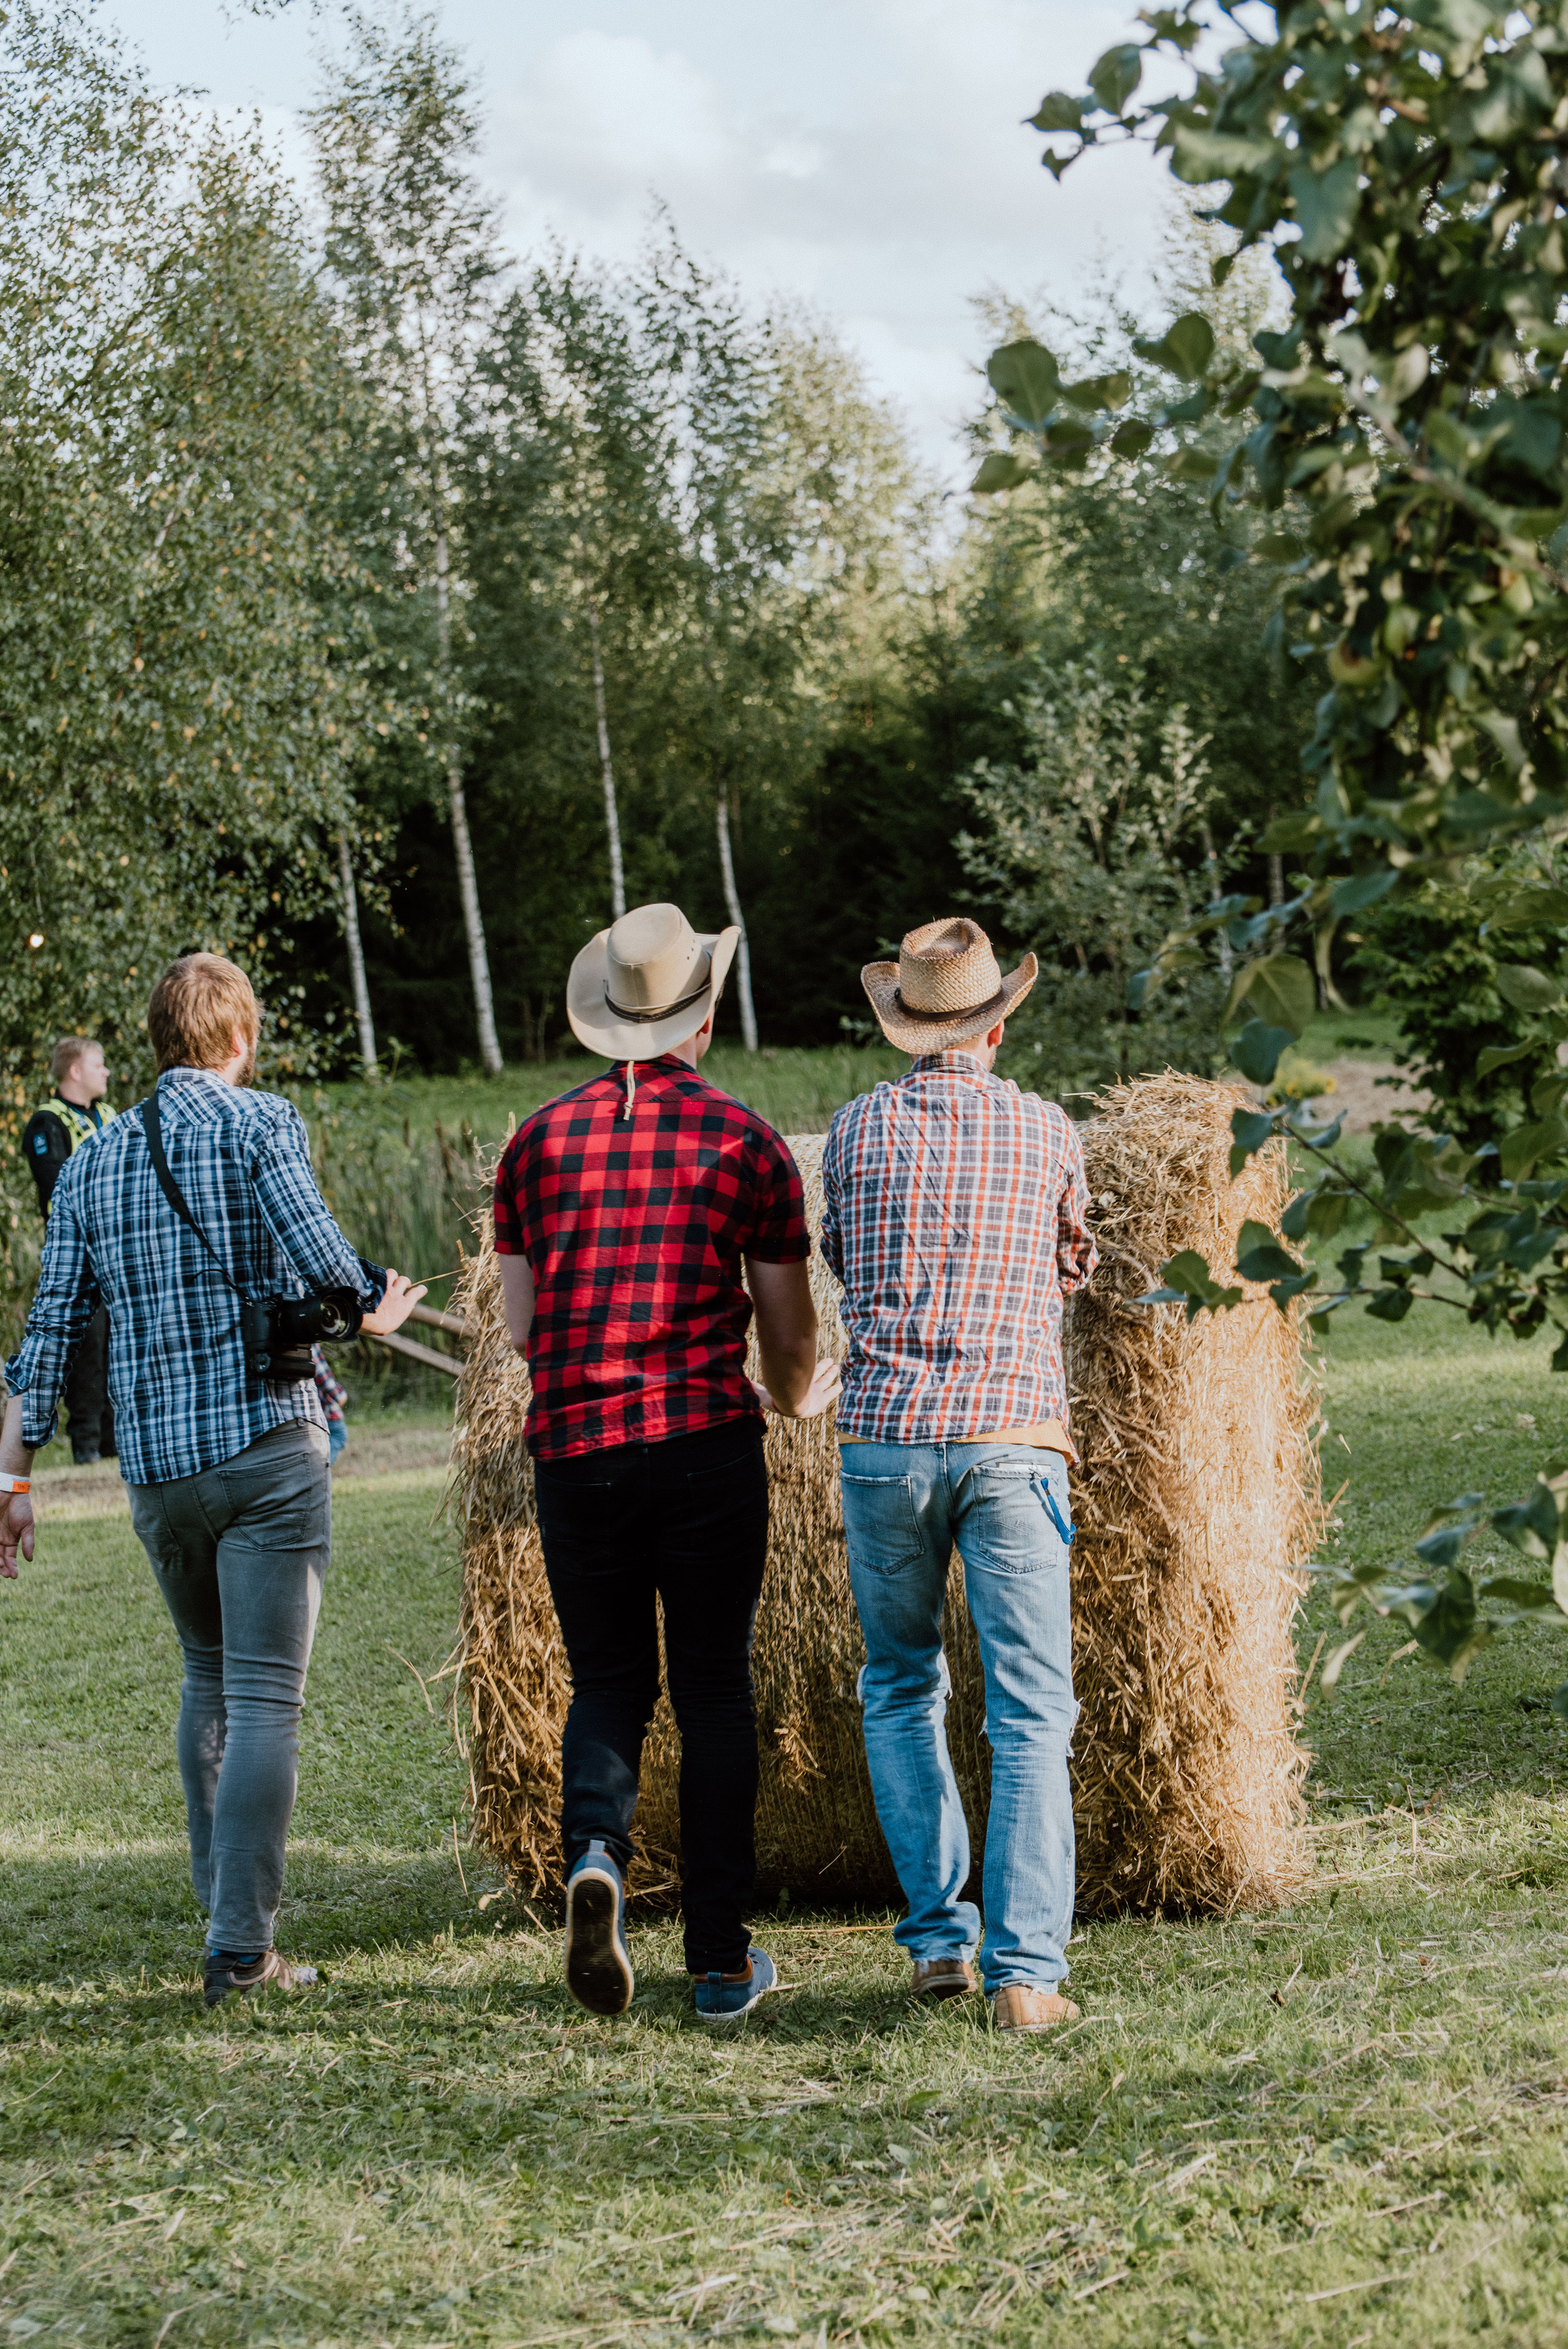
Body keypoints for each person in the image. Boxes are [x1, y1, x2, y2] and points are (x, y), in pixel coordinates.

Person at [0, 956, 425, 2005]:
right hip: (266, 1455)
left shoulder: (95, 1164)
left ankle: (223, 1906)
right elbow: (325, 1259)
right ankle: (241, 1950)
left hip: (158, 1476)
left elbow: (48, 1334)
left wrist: (12, 1482)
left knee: (209, 1679)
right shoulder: (260, 1121)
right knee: (268, 1697)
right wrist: (377, 1299)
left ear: (157, 1043)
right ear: (239, 1038)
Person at [492, 902, 839, 2024]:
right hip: (701, 1450)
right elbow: (789, 1341)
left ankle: (596, 1854)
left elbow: (519, 1331)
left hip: (578, 1452)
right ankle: (722, 1962)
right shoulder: (746, 1144)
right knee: (713, 1690)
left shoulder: (535, 1143)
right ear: (703, 1012)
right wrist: (797, 1398)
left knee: (606, 1684)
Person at [820, 916, 1098, 2034]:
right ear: (995, 1024)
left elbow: (842, 1259)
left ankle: (942, 1945)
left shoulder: (851, 1131)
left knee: (899, 1688)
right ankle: (1027, 1973)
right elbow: (1074, 1262)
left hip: (885, 1438)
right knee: (1030, 1711)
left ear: (908, 1027)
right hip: (1011, 1438)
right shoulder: (1045, 1129)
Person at [22, 1036, 118, 1465]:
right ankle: (87, 1446)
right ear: (75, 1071)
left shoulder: (113, 1117)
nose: (107, 1072)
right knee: (87, 1347)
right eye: (99, 1065)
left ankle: (119, 1442)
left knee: (120, 1346)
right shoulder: (47, 1122)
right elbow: (54, 1185)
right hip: (78, 1254)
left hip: (119, 1250)